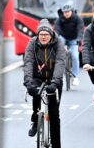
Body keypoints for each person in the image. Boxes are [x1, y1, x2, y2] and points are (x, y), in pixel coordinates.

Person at [23, 19, 65, 148]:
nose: (43, 37)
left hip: (53, 79)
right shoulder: (32, 43)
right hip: (37, 77)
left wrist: (55, 82)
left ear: (51, 35)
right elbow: (28, 62)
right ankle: (35, 120)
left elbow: (60, 62)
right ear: (37, 35)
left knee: (54, 114)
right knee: (36, 96)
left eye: (46, 35)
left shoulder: (58, 44)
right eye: (41, 34)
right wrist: (28, 83)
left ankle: (56, 145)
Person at [54, 4, 84, 86]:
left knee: (75, 56)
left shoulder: (78, 19)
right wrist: (58, 41)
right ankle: (58, 72)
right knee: (59, 49)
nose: (66, 13)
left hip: (74, 38)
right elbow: (57, 30)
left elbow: (80, 30)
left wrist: (79, 39)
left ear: (72, 12)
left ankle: (75, 77)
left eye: (68, 12)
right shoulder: (59, 20)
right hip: (63, 37)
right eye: (65, 12)